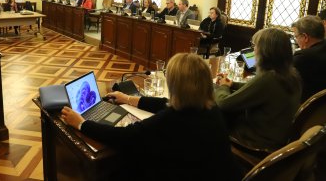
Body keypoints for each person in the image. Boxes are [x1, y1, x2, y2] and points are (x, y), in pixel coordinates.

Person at [61, 53, 240, 181]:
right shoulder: (210, 107)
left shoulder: (172, 120)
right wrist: (129, 99)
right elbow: (164, 102)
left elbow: (124, 136)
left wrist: (82, 124)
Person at [215, 28, 301, 150]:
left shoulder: (269, 78)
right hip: (278, 134)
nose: (254, 50)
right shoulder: (291, 74)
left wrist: (222, 86)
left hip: (261, 140)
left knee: (215, 114)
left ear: (265, 52)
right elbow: (255, 90)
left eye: (255, 46)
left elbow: (224, 103)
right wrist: (231, 84)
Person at [291, 15, 326, 102]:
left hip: (305, 109)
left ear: (305, 37)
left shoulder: (303, 57)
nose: (296, 41)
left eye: (296, 37)